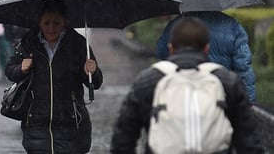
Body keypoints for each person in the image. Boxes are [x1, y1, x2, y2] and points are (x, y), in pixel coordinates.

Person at [110, 17, 264, 154]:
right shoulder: (228, 82)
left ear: (171, 48)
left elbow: (122, 141)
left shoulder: (148, 82)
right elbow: (249, 143)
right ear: (206, 48)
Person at [5, 0, 103, 153]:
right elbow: (10, 70)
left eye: (56, 23)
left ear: (65, 21)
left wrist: (92, 71)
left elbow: (95, 83)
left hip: (71, 123)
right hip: (37, 122)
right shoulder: (28, 43)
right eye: (46, 23)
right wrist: (21, 69)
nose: (51, 28)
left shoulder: (78, 44)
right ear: (39, 22)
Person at [156, 11, 257, 103]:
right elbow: (243, 67)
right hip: (222, 95)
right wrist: (249, 99)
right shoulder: (232, 26)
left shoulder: (177, 25)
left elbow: (161, 53)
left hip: (184, 94)